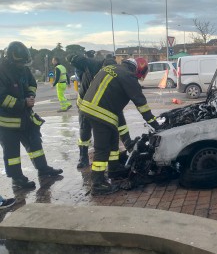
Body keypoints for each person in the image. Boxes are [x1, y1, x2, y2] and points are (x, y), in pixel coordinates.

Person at [79, 57, 159, 195]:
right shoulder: (128, 76)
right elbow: (141, 104)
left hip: (88, 108)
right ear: (139, 69)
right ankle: (97, 184)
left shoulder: (111, 68)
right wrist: (154, 123)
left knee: (113, 139)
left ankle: (114, 168)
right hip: (100, 112)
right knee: (102, 148)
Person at [0, 41, 63, 189]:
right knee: (12, 153)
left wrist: (30, 95)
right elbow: (1, 97)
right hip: (7, 122)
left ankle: (43, 169)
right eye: (20, 63)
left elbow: (32, 83)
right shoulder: (1, 71)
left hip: (25, 116)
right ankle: (17, 180)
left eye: (24, 63)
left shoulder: (23, 69)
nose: (22, 66)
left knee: (35, 144)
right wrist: (22, 103)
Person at [67, 54, 133, 169]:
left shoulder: (116, 73)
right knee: (85, 131)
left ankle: (128, 147)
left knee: (120, 124)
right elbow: (79, 61)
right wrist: (74, 58)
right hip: (85, 104)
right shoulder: (93, 65)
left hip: (104, 104)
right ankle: (83, 157)